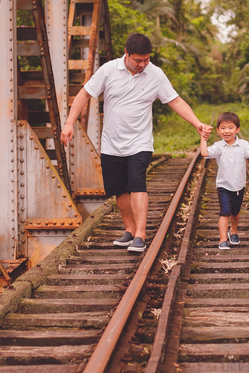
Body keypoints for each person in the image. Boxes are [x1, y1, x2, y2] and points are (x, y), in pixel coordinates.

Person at [62, 33, 211, 253]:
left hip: (140, 142)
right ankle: (130, 230)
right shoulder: (108, 70)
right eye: (138, 60)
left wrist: (197, 123)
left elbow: (175, 100)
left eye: (146, 60)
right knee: (120, 189)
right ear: (127, 53)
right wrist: (69, 124)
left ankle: (141, 235)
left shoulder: (156, 74)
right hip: (112, 143)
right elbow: (84, 94)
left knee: (137, 184)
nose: (142, 64)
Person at [199, 111, 249, 251]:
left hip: (239, 185)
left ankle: (233, 231)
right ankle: (223, 239)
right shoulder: (218, 146)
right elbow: (205, 153)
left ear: (237, 129)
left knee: (235, 212)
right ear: (218, 130)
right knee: (225, 212)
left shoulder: (243, 144)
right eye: (223, 128)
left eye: (230, 127)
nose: (226, 131)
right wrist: (203, 138)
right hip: (223, 185)